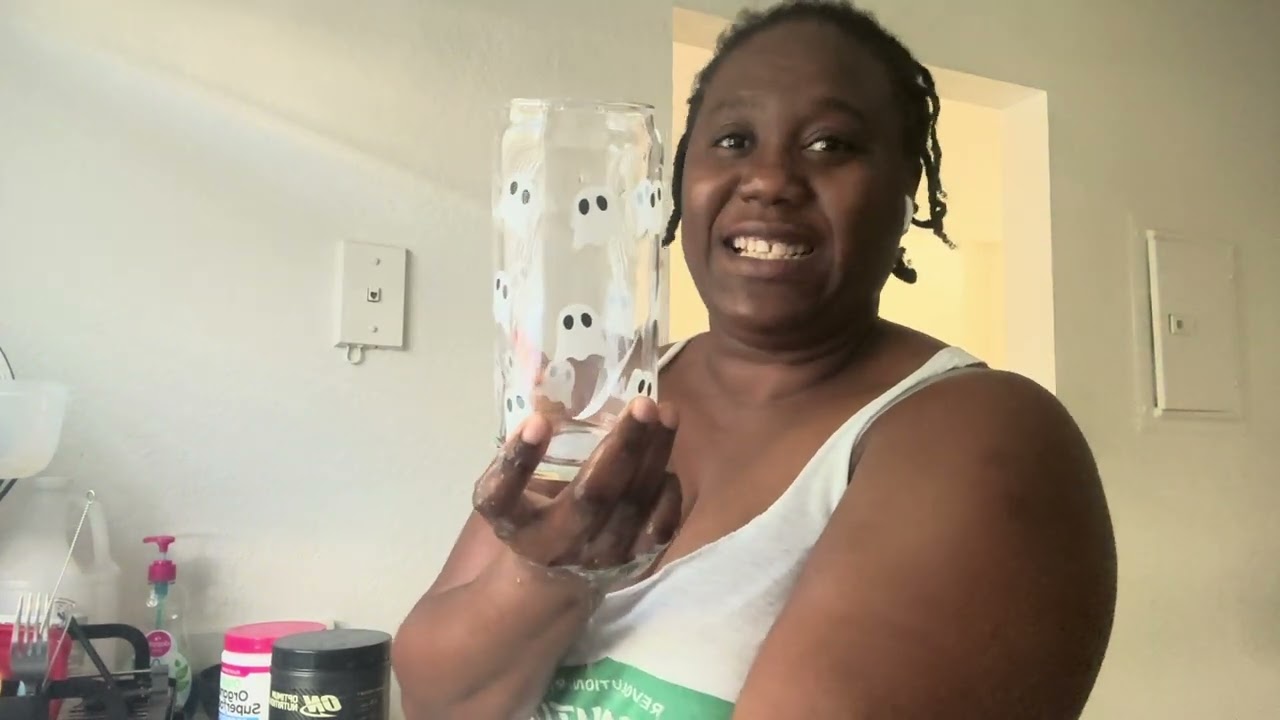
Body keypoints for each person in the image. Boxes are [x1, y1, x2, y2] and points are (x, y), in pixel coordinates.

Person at [392, 1, 1118, 718]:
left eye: (830, 144)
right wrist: (557, 573)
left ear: (906, 192)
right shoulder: (598, 398)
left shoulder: (979, 434)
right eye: (735, 140)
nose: (769, 180)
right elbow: (436, 700)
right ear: (682, 180)